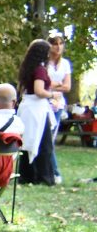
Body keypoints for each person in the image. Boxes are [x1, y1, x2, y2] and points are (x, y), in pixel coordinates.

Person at [16, 37, 58, 185]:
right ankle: (43, 177)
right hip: (36, 110)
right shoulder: (40, 69)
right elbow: (39, 91)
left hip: (29, 108)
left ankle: (27, 175)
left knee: (29, 143)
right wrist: (53, 95)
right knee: (44, 144)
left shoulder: (29, 68)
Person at [46, 32, 72, 183]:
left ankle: (54, 172)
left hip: (58, 104)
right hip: (44, 102)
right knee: (45, 138)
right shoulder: (44, 63)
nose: (58, 47)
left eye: (60, 44)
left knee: (50, 138)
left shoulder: (65, 64)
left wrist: (53, 85)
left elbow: (67, 86)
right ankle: (53, 172)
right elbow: (42, 83)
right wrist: (54, 85)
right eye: (55, 43)